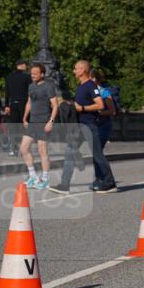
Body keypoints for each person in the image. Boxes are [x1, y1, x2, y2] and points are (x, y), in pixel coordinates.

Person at [49, 61, 117, 194]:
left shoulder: (91, 85)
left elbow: (100, 105)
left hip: (89, 126)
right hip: (79, 126)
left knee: (97, 155)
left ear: (83, 70)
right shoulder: (81, 86)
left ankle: (110, 182)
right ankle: (64, 185)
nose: (74, 71)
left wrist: (82, 108)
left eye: (75, 69)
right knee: (69, 153)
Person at [19, 63, 59, 189]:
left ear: (42, 74)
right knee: (23, 149)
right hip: (33, 122)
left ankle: (45, 179)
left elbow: (55, 105)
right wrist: (25, 117)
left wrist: (51, 122)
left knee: (42, 151)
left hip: (44, 121)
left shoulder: (48, 86)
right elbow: (29, 103)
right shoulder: (31, 86)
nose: (33, 75)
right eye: (32, 73)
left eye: (35, 73)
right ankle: (33, 177)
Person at [91, 69, 118, 185]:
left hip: (104, 125)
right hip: (94, 125)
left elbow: (113, 111)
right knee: (96, 153)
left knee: (97, 153)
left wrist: (97, 112)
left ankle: (106, 180)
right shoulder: (89, 92)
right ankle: (99, 179)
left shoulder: (104, 92)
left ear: (95, 79)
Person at [4, 59, 30, 155]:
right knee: (25, 124)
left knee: (13, 126)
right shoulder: (27, 77)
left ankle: (13, 148)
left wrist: (6, 105)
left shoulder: (9, 77)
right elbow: (29, 91)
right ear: (22, 65)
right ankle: (24, 147)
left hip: (13, 104)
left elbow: (7, 92)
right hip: (24, 103)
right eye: (25, 65)